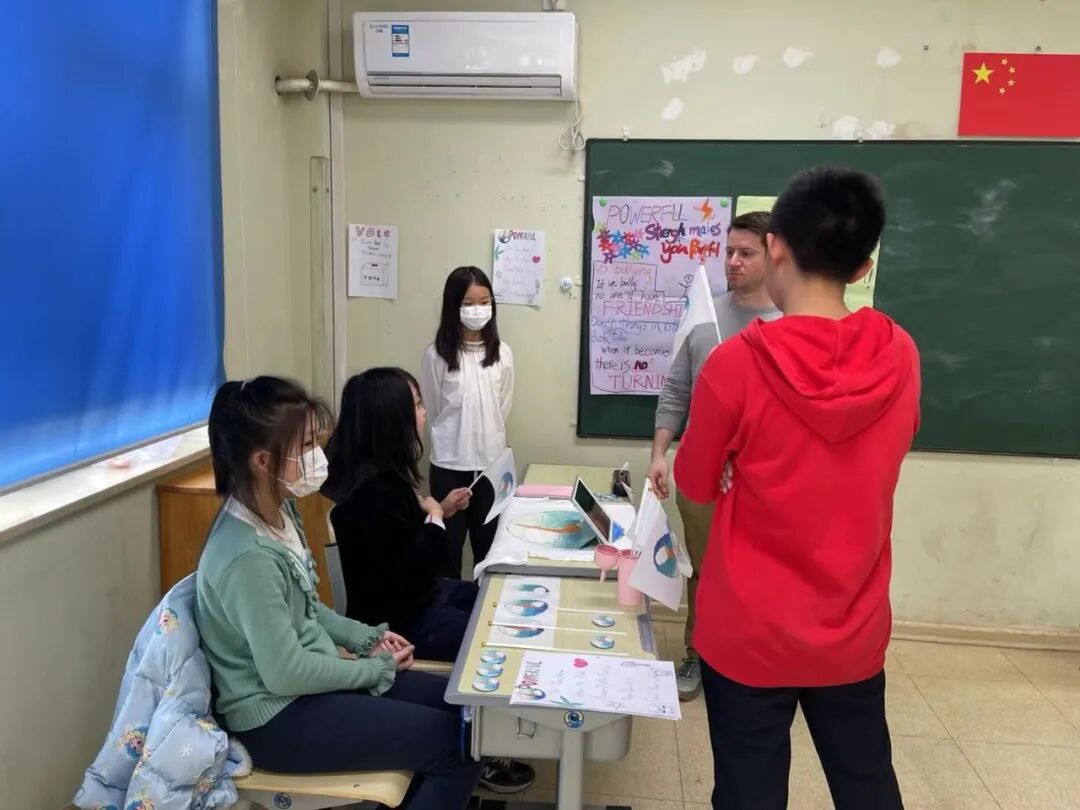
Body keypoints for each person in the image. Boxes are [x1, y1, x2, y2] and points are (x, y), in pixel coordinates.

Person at [673, 167, 919, 810]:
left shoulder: (736, 363)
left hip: (747, 628)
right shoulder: (901, 354)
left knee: (748, 790)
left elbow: (694, 482)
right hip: (852, 624)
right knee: (867, 784)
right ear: (863, 267)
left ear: (775, 245)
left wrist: (733, 465)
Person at [195, 376, 482, 810]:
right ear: (262, 460)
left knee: (467, 713)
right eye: (307, 445)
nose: (319, 454)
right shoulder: (247, 556)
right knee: (458, 745)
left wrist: (367, 637)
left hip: (310, 688)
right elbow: (285, 673)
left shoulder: (279, 513)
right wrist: (371, 670)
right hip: (277, 718)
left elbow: (308, 608)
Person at [323, 367, 535, 796]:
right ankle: (488, 749)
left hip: (419, 597)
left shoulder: (381, 475)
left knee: (496, 598)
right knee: (495, 638)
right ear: (392, 419)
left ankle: (492, 736)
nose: (424, 413)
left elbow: (399, 542)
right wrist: (436, 520)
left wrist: (440, 509)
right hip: (405, 618)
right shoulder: (373, 491)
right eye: (417, 405)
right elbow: (413, 565)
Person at [647, 210, 782, 701]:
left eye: (746, 253)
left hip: (765, 481)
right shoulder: (703, 319)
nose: (733, 262)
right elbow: (676, 392)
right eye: (729, 252)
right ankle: (697, 654)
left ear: (774, 257)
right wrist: (660, 454)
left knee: (759, 574)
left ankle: (755, 660)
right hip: (701, 474)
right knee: (704, 570)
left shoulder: (791, 325)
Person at [421, 266, 514, 579]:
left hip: (491, 467)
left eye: (485, 302)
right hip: (450, 464)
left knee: (488, 548)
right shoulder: (436, 356)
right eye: (469, 303)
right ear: (453, 306)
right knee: (448, 549)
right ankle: (451, 607)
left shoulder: (503, 354)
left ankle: (484, 605)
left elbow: (503, 406)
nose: (478, 309)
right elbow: (434, 409)